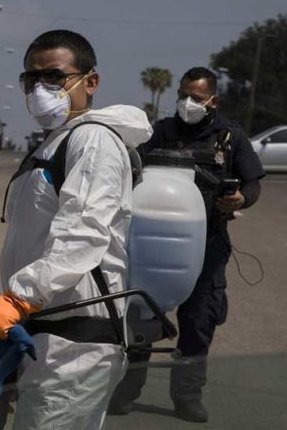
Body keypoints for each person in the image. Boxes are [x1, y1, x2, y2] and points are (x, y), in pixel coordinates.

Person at [0, 29, 152, 430]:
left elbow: (83, 234)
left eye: (53, 76)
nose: (40, 88)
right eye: (31, 78)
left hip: (75, 349)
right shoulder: (56, 143)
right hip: (47, 338)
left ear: (90, 82)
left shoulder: (94, 141)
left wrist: (18, 299)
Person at [108, 67, 265, 422]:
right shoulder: (160, 131)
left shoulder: (230, 137)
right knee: (141, 317)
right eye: (183, 95)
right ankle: (127, 389)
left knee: (198, 321)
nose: (188, 103)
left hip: (207, 244)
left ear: (213, 100)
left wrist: (240, 199)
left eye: (196, 97)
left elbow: (253, 183)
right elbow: (129, 167)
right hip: (152, 243)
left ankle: (187, 396)